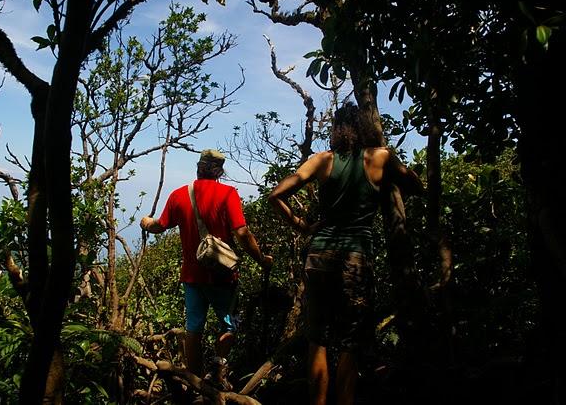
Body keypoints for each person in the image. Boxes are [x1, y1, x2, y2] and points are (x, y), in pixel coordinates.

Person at [268, 103, 423, 405]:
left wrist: (302, 226)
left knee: (318, 339)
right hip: (356, 258)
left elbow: (276, 195)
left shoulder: (322, 161)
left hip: (319, 255)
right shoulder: (380, 157)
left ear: (337, 129)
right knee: (350, 343)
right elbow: (415, 185)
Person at [140, 149, 273, 394]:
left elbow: (160, 226)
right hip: (223, 277)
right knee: (230, 326)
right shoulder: (228, 194)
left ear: (198, 168)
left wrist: (146, 223)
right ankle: (216, 369)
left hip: (191, 276)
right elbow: (242, 233)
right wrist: (262, 259)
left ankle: (196, 383)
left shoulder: (179, 195)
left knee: (193, 329)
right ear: (219, 171)